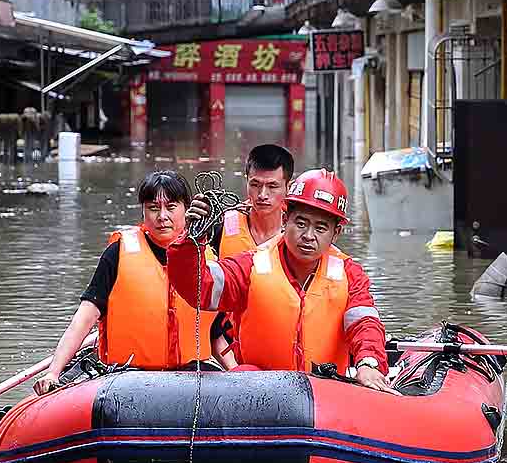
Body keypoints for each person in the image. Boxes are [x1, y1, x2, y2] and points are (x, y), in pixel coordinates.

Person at [168, 169, 397, 394]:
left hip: (326, 394)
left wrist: (368, 364)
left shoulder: (350, 274)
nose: (308, 235)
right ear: (285, 219)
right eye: (301, 223)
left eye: (320, 228)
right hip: (259, 391)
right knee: (242, 375)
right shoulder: (251, 266)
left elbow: (364, 323)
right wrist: (191, 239)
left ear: (335, 233)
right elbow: (198, 288)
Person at [35, 171, 227, 394]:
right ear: (143, 211)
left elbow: (216, 334)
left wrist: (237, 376)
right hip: (127, 378)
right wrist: (53, 372)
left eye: (171, 207)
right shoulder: (117, 253)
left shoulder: (206, 259)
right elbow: (85, 317)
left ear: (186, 209)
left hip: (191, 377)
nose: (162, 216)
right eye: (153, 208)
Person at [216, 143, 296, 258]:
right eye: (255, 184)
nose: (262, 195)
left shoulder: (300, 233)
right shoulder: (220, 225)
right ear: (247, 182)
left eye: (272, 186)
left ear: (288, 187)